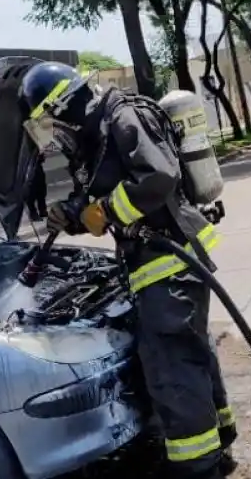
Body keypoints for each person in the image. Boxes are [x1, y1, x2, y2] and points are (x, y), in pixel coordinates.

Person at [19, 61, 238, 479]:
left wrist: (102, 209)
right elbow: (102, 200)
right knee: (190, 354)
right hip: (159, 261)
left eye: (50, 121)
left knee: (171, 365)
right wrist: (75, 214)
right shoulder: (95, 135)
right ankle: (218, 439)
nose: (53, 133)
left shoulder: (122, 115)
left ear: (63, 106)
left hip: (170, 259)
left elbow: (158, 176)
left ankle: (199, 465)